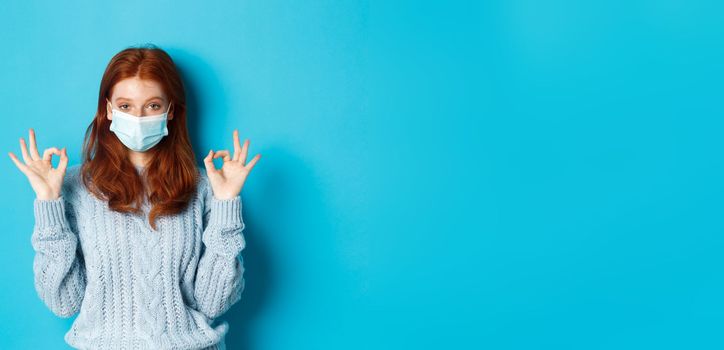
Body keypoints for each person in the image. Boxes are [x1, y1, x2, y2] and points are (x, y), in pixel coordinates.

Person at [7, 44, 261, 350]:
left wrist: (226, 204)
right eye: (126, 106)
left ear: (170, 111)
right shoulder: (75, 186)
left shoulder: (204, 187)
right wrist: (49, 202)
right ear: (109, 110)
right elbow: (63, 302)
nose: (138, 117)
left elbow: (213, 302)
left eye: (152, 106)